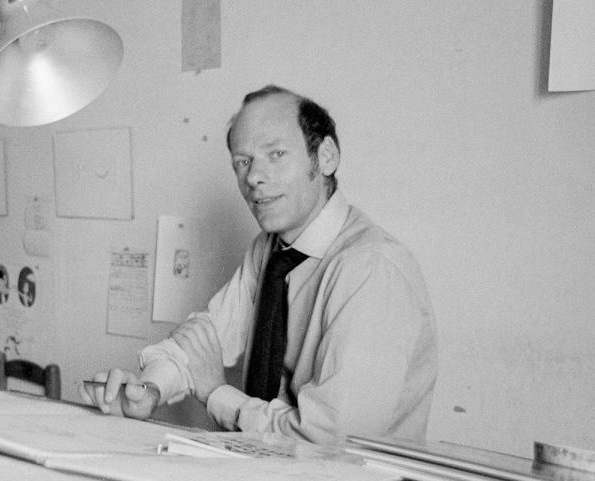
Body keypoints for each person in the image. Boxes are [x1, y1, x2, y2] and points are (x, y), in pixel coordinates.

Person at [81, 85, 437, 445]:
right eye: (243, 162)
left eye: (276, 154)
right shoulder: (269, 250)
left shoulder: (372, 269)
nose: (253, 177)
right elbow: (205, 337)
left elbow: (330, 441)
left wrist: (216, 393)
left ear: (326, 156)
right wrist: (148, 389)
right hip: (271, 476)